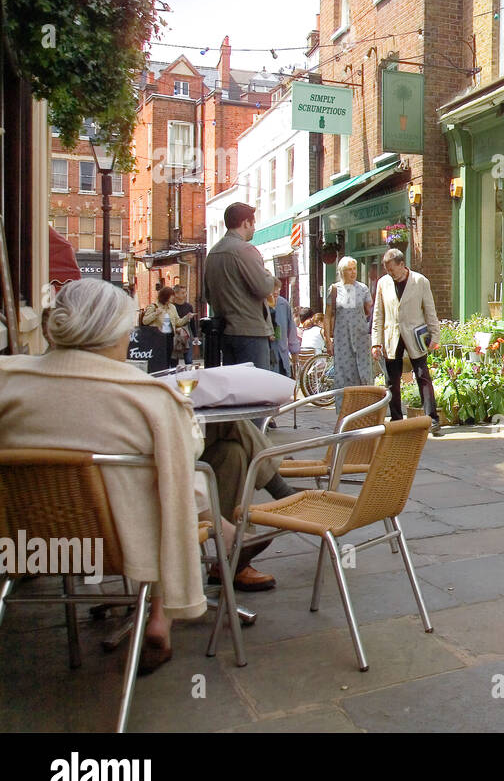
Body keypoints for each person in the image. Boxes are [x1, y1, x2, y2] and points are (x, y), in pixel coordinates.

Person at [0, 282, 288, 673]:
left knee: (225, 452)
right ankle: (166, 611)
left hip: (23, 544)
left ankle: (226, 543)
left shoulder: (8, 380)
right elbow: (189, 455)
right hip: (126, 542)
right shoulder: (147, 399)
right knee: (179, 478)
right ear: (117, 333)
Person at [371, 248, 440, 429]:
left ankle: (432, 418)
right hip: (391, 335)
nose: (389, 273)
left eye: (392, 269)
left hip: (415, 334)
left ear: (402, 265)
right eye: (387, 269)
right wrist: (376, 342)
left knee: (422, 375)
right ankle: (396, 420)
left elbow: (430, 310)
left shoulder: (420, 281)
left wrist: (435, 335)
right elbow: (378, 314)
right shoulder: (383, 283)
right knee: (392, 380)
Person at [205, 202, 277, 370]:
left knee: (236, 389)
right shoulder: (245, 250)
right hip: (251, 332)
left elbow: (208, 295)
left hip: (226, 332)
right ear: (246, 222)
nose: (254, 228)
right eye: (253, 223)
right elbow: (264, 288)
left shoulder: (213, 253)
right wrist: (269, 276)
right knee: (256, 389)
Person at [325, 256, 374, 411]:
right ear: (341, 272)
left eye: (355, 269)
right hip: (341, 337)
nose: (353, 272)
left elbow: (369, 310)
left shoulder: (363, 288)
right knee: (343, 373)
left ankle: (364, 410)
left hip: (360, 337)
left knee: (363, 372)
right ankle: (344, 412)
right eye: (349, 270)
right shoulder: (334, 289)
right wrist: (328, 340)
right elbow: (328, 315)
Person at [141, 286, 190, 368]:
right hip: (158, 338)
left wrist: (186, 318)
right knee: (159, 359)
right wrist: (155, 314)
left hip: (170, 336)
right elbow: (145, 321)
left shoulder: (172, 307)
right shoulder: (154, 306)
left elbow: (177, 322)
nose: (173, 298)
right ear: (165, 296)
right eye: (171, 296)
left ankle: (167, 373)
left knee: (169, 358)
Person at [266, 285, 298, 378]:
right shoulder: (260, 303)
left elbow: (291, 328)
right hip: (266, 353)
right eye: (273, 289)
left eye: (277, 289)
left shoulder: (283, 304)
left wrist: (294, 351)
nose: (275, 292)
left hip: (281, 354)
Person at [172, 285, 197, 363]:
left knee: (189, 359)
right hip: (175, 334)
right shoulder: (172, 307)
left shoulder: (189, 306)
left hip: (186, 334)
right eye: (183, 293)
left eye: (185, 292)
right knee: (174, 359)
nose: (185, 294)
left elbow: (192, 322)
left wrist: (195, 336)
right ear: (176, 294)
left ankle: (189, 373)